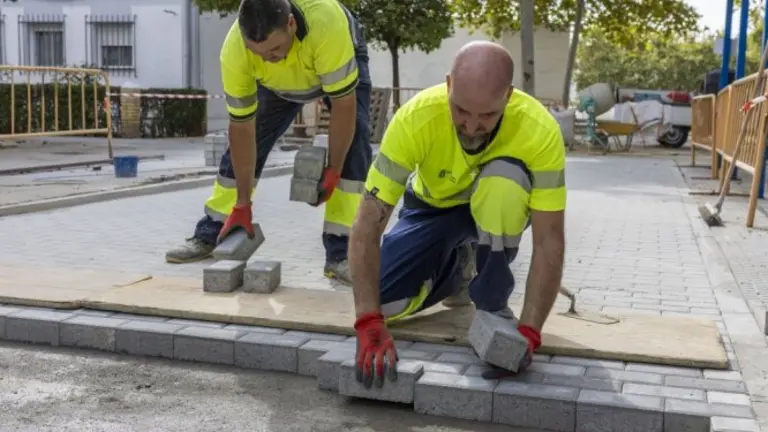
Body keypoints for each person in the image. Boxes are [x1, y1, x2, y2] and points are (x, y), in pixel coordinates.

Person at [346, 41, 567, 387]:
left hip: (495, 210)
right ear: (449, 85)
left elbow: (549, 239)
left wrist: (529, 332)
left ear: (508, 96)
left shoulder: (538, 129)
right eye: (461, 110)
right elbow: (367, 222)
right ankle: (457, 272)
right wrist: (368, 321)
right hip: (432, 210)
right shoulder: (416, 118)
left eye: (487, 115)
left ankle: (491, 301)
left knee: (504, 182)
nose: (472, 126)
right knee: (384, 300)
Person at [165, 0, 373, 286]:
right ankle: (213, 230)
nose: (268, 58)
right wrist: (243, 203)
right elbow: (241, 128)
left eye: (274, 49)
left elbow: (343, 106)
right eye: (258, 53)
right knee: (250, 138)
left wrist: (334, 169)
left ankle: (341, 252)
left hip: (328, 56)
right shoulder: (236, 51)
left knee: (356, 139)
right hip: (277, 84)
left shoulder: (327, 25)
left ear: (291, 24)